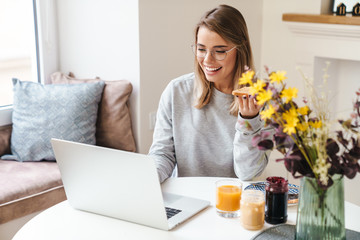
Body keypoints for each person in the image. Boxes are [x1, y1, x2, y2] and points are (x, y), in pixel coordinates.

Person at [149, 4, 271, 183]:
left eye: (220, 51)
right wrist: (147, 181)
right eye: (201, 49)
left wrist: (249, 120)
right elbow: (162, 155)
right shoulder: (176, 91)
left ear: (240, 49)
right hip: (186, 199)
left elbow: (247, 173)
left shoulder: (261, 100)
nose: (207, 60)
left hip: (232, 204)